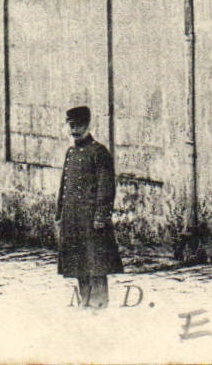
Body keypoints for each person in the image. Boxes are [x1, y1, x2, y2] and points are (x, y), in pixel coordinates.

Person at [56, 104, 122, 308]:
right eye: (71, 126)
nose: (74, 130)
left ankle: (99, 305)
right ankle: (84, 303)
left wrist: (101, 217)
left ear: (87, 125)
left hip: (92, 222)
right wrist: (60, 215)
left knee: (96, 267)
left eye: (79, 126)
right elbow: (64, 187)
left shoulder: (99, 152)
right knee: (79, 267)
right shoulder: (71, 152)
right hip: (73, 220)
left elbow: (106, 187)